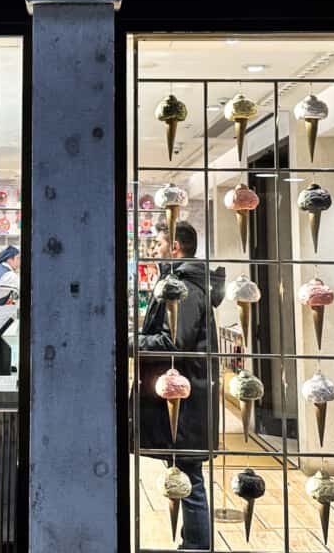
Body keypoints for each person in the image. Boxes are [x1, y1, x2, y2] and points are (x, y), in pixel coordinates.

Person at [132, 221, 224, 550]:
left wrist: (132, 341)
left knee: (189, 478)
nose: (154, 249)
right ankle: (194, 543)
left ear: (175, 247)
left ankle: (197, 546)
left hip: (185, 396)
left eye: (158, 243)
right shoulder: (184, 283)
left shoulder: (181, 287)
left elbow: (174, 341)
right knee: (186, 472)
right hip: (186, 392)